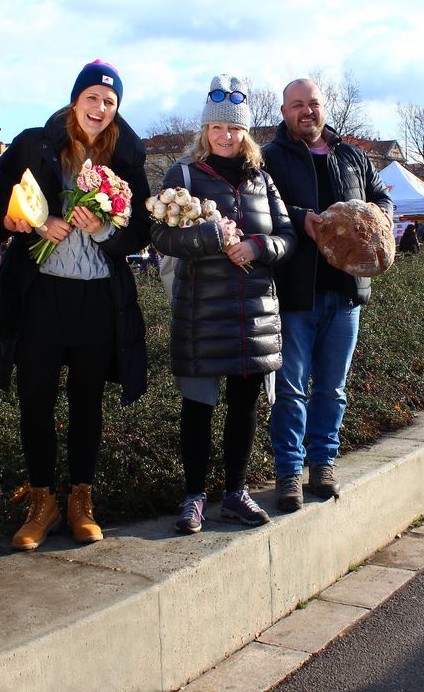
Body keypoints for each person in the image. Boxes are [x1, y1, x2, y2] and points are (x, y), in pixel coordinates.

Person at [0, 60, 150, 550]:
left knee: (87, 403)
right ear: (75, 99)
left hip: (97, 298)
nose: (100, 108)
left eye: (109, 102)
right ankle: (42, 501)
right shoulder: (32, 144)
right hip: (41, 294)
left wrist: (103, 230)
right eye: (92, 98)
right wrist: (35, 225)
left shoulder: (127, 156)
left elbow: (142, 229)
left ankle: (81, 498)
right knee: (35, 399)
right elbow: (1, 202)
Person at [151, 76, 295, 534]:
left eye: (234, 128)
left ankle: (235, 492)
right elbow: (160, 235)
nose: (225, 135)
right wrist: (212, 237)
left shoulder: (262, 180)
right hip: (201, 311)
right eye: (217, 127)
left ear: (246, 133)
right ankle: (194, 495)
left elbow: (288, 237)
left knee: (244, 407)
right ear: (206, 129)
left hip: (254, 312)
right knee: (197, 408)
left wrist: (257, 247)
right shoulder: (185, 175)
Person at [262, 77, 394, 512]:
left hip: (346, 294)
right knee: (292, 388)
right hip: (296, 293)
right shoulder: (270, 158)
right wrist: (301, 218)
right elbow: (261, 209)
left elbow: (380, 199)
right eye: (297, 104)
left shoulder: (352, 155)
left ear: (324, 107)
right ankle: (288, 472)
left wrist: (381, 219)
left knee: (333, 389)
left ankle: (323, 464)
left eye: (314, 103)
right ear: (284, 112)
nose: (307, 111)